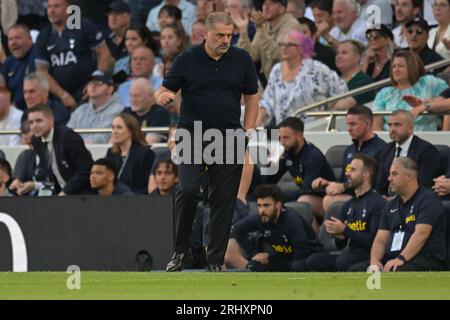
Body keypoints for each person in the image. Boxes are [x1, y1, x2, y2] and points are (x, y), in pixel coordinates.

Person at [155, 12, 259, 272]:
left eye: (229, 35)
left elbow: (252, 97)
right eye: (220, 35)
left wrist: (248, 130)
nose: (226, 40)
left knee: (223, 200)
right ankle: (180, 251)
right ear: (205, 34)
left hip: (230, 137)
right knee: (188, 190)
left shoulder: (242, 59)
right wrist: (162, 96)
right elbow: (164, 88)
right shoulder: (187, 59)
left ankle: (214, 260)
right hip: (192, 136)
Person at [351, 157, 447, 272]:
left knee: (395, 271)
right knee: (356, 270)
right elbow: (380, 239)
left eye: (394, 174)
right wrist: (375, 261)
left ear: (409, 176)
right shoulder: (390, 205)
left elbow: (421, 234)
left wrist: (401, 258)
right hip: (394, 258)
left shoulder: (428, 200)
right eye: (389, 174)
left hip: (425, 258)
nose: (389, 178)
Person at [305, 154, 386, 271]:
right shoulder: (348, 204)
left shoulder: (378, 203)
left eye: (353, 170)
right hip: (349, 255)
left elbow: (373, 240)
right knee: (313, 261)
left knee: (346, 263)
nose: (347, 173)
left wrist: (345, 230)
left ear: (365, 175)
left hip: (367, 258)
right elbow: (341, 245)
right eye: (348, 169)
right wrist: (339, 235)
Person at [224, 184, 325, 271]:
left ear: (278, 205)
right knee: (255, 265)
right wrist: (253, 254)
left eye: (266, 206)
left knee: (297, 266)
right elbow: (237, 230)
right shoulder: (261, 218)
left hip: (309, 256)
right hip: (285, 259)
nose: (262, 210)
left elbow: (302, 251)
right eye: (259, 206)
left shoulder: (291, 219)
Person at [256, 30, 347, 126]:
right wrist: (256, 124)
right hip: (284, 132)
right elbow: (268, 101)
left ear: (301, 48)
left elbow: (341, 89)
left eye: (289, 45)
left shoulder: (317, 69)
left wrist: (330, 113)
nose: (284, 48)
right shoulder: (276, 70)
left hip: (314, 129)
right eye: (282, 44)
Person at [35, 0, 113, 108]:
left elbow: (104, 54)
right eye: (49, 7)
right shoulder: (43, 36)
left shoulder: (84, 25)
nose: (52, 11)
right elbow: (41, 72)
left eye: (56, 6)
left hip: (87, 94)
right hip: (59, 100)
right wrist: (63, 95)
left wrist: (95, 81)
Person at [264, 117, 335, 233]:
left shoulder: (312, 156)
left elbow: (308, 189)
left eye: (286, 138)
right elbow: (269, 182)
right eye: (280, 138)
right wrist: (271, 165)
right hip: (306, 195)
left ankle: (313, 242)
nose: (282, 142)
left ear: (299, 136)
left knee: (302, 202)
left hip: (324, 199)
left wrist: (280, 202)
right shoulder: (288, 153)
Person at [312, 105, 386, 212]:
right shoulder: (349, 150)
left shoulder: (381, 149)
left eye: (353, 124)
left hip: (371, 199)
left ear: (368, 124)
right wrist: (328, 184)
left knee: (330, 201)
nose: (349, 129)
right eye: (348, 124)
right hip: (351, 195)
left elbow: (376, 185)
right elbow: (345, 180)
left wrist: (343, 187)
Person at [27, 104, 94, 196]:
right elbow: (49, 172)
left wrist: (66, 191)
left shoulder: (68, 137)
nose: (34, 126)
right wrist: (34, 185)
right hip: (59, 194)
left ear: (50, 120)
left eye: (39, 121)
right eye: (31, 122)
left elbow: (86, 169)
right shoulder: (36, 140)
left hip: (83, 194)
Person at [373, 50, 448, 131]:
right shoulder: (384, 93)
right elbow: (376, 124)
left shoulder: (429, 82)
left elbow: (447, 100)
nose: (396, 69)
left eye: (400, 66)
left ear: (411, 67)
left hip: (428, 139)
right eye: (394, 66)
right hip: (392, 140)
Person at [376, 110, 441, 196]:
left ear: (410, 128)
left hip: (413, 202)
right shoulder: (386, 149)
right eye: (390, 125)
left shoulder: (426, 150)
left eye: (397, 125)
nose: (392, 129)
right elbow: (380, 184)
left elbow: (423, 185)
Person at [232, 0, 302, 80]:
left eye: (271, 4)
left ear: (282, 8)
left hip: (289, 80)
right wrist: (243, 30)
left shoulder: (292, 25)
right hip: (271, 81)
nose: (266, 7)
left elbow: (278, 53)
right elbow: (252, 56)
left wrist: (261, 29)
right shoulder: (264, 25)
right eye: (264, 4)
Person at [67, 71, 124, 144]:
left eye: (99, 82)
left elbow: (103, 138)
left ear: (110, 89)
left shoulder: (118, 110)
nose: (93, 86)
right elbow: (67, 134)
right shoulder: (80, 110)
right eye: (90, 82)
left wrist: (77, 145)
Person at [106, 113, 155, 194]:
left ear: (131, 131)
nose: (114, 131)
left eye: (119, 127)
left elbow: (148, 187)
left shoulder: (146, 154)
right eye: (113, 127)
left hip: (136, 201)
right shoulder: (111, 153)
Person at [124, 77, 170, 144]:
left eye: (137, 96)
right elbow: (113, 141)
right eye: (131, 96)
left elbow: (148, 145)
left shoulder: (160, 113)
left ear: (150, 96)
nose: (133, 100)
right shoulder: (126, 112)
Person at [1, 24, 36, 111]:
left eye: (18, 38)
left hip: (37, 108)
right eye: (10, 39)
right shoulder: (9, 62)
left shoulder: (39, 55)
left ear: (30, 39)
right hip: (14, 111)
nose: (13, 42)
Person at [333, 41, 375, 110]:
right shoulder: (334, 81)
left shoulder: (364, 81)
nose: (338, 56)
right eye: (337, 53)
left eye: (344, 53)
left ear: (357, 57)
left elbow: (340, 107)